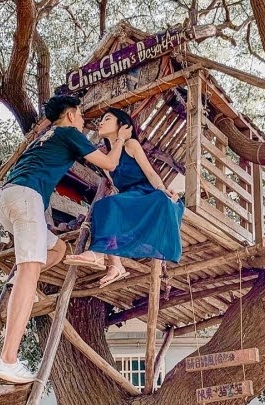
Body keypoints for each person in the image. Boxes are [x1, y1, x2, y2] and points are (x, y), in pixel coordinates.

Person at [0, 96, 132, 384]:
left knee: (57, 249)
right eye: (81, 116)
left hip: (6, 200)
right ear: (70, 115)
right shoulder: (68, 132)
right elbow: (109, 163)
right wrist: (121, 139)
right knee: (29, 270)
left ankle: (20, 283)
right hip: (26, 198)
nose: (83, 121)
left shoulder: (44, 137)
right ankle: (7, 361)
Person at [65, 107, 184, 287]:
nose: (101, 123)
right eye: (101, 120)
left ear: (122, 125)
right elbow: (116, 187)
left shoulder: (131, 145)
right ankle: (116, 265)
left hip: (146, 195)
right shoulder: (107, 159)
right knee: (105, 206)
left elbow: (150, 173)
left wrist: (163, 190)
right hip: (128, 198)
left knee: (109, 204)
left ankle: (98, 253)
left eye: (107, 119)